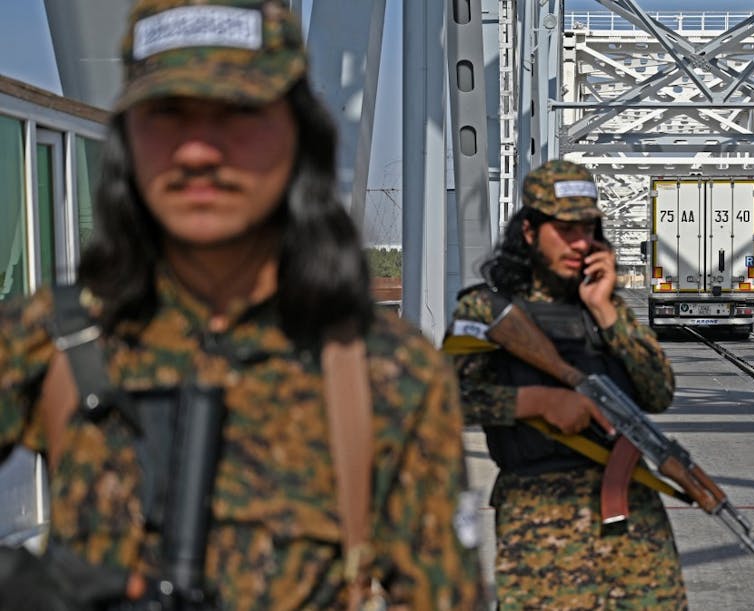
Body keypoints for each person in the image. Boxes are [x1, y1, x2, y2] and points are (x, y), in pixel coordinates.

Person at [0, 1, 480, 608]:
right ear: (128, 141)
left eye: (238, 113)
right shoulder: (58, 339)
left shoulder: (387, 374)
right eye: (167, 115)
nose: (198, 152)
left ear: (300, 136)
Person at [443, 160, 686, 609]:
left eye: (589, 229)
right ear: (530, 232)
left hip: (633, 518)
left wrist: (606, 311)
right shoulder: (486, 311)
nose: (581, 243)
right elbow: (444, 402)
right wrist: (534, 401)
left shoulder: (605, 307)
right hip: (541, 525)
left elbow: (659, 392)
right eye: (566, 230)